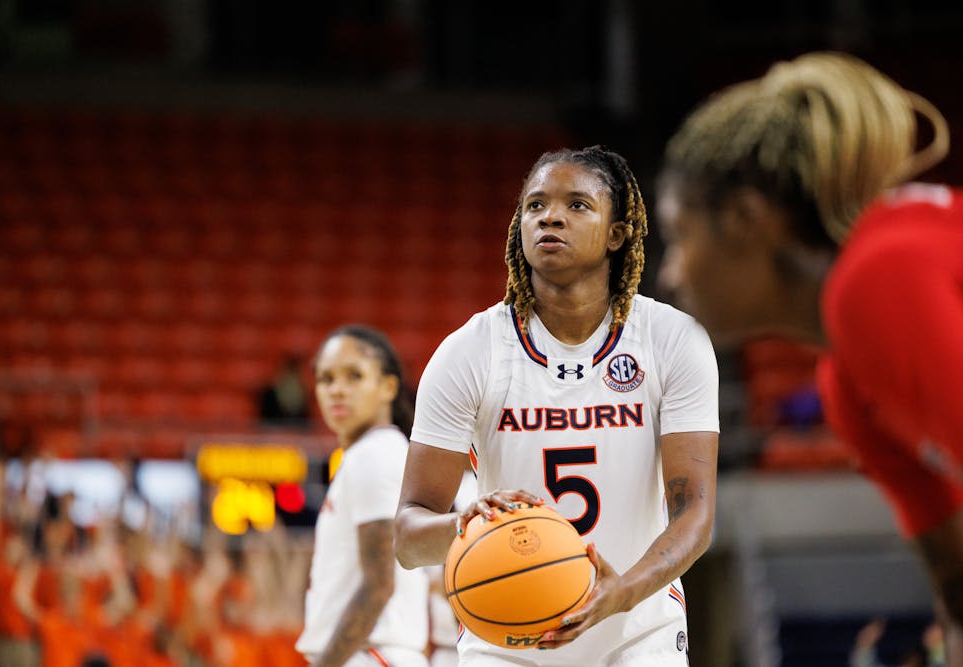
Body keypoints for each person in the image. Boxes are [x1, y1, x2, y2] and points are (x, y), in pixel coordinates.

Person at [654, 51, 962, 663]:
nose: (670, 274)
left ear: (745, 220)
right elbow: (957, 587)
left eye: (679, 237)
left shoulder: (879, 278)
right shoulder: (848, 387)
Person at [394, 146, 720, 666]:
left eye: (577, 205)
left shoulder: (673, 340)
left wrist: (622, 593)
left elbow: (695, 516)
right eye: (535, 205)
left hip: (636, 631)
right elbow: (408, 536)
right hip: (506, 639)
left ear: (617, 234)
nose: (550, 215)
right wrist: (464, 527)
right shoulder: (469, 352)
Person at [297, 326, 430, 667]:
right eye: (326, 379)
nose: (337, 390)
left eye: (354, 376)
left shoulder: (374, 455)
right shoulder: (379, 452)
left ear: (388, 386)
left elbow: (379, 584)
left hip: (368, 655)